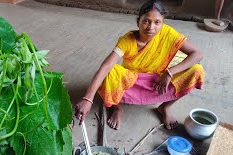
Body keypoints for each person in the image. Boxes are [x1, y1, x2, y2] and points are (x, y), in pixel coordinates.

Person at [74, 0, 205, 130]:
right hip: (134, 79)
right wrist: (88, 98)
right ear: (138, 22)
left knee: (196, 70)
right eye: (146, 21)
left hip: (159, 77)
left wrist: (169, 73)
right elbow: (106, 66)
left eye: (157, 22)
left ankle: (164, 107)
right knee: (110, 73)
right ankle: (118, 108)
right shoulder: (127, 41)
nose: (151, 27)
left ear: (162, 23)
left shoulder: (168, 33)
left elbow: (197, 54)